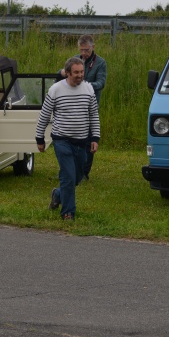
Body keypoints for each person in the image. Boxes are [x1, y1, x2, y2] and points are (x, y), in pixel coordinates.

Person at [37, 57, 100, 221]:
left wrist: (95, 138)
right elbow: (44, 115)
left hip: (82, 141)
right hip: (61, 140)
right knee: (68, 176)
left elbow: (93, 115)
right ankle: (68, 212)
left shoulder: (89, 89)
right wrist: (40, 138)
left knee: (78, 176)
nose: (80, 75)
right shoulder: (56, 89)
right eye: (76, 73)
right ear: (68, 73)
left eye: (82, 72)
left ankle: (57, 195)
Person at [58, 34, 107, 179]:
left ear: (93, 47)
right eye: (82, 50)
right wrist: (62, 73)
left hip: (90, 106)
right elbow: (60, 74)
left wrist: (83, 84)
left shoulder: (100, 63)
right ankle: (69, 170)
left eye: (86, 50)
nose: (84, 53)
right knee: (70, 139)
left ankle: (84, 172)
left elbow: (101, 83)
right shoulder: (74, 59)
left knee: (88, 141)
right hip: (72, 106)